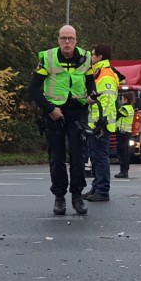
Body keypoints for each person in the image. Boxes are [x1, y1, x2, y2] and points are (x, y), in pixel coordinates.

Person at [29, 25, 96, 216]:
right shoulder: (48, 58)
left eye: (71, 38)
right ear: (58, 40)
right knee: (56, 158)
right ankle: (59, 197)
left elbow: (90, 80)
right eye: (63, 38)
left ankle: (77, 196)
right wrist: (50, 109)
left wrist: (92, 94)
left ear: (76, 40)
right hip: (54, 113)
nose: (67, 42)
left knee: (78, 157)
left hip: (77, 111)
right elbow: (34, 89)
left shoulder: (85, 57)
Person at [83, 44, 119, 202]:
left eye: (93, 54)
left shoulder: (105, 74)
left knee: (100, 157)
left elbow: (108, 99)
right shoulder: (98, 72)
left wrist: (100, 122)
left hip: (101, 125)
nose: (91, 57)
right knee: (95, 157)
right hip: (96, 124)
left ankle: (102, 190)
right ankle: (96, 187)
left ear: (100, 56)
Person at [114, 90, 134, 179]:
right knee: (125, 152)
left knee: (121, 153)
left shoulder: (124, 108)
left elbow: (116, 115)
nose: (121, 100)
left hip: (122, 132)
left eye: (122, 99)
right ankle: (124, 171)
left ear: (126, 99)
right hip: (126, 132)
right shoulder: (130, 108)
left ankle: (123, 172)